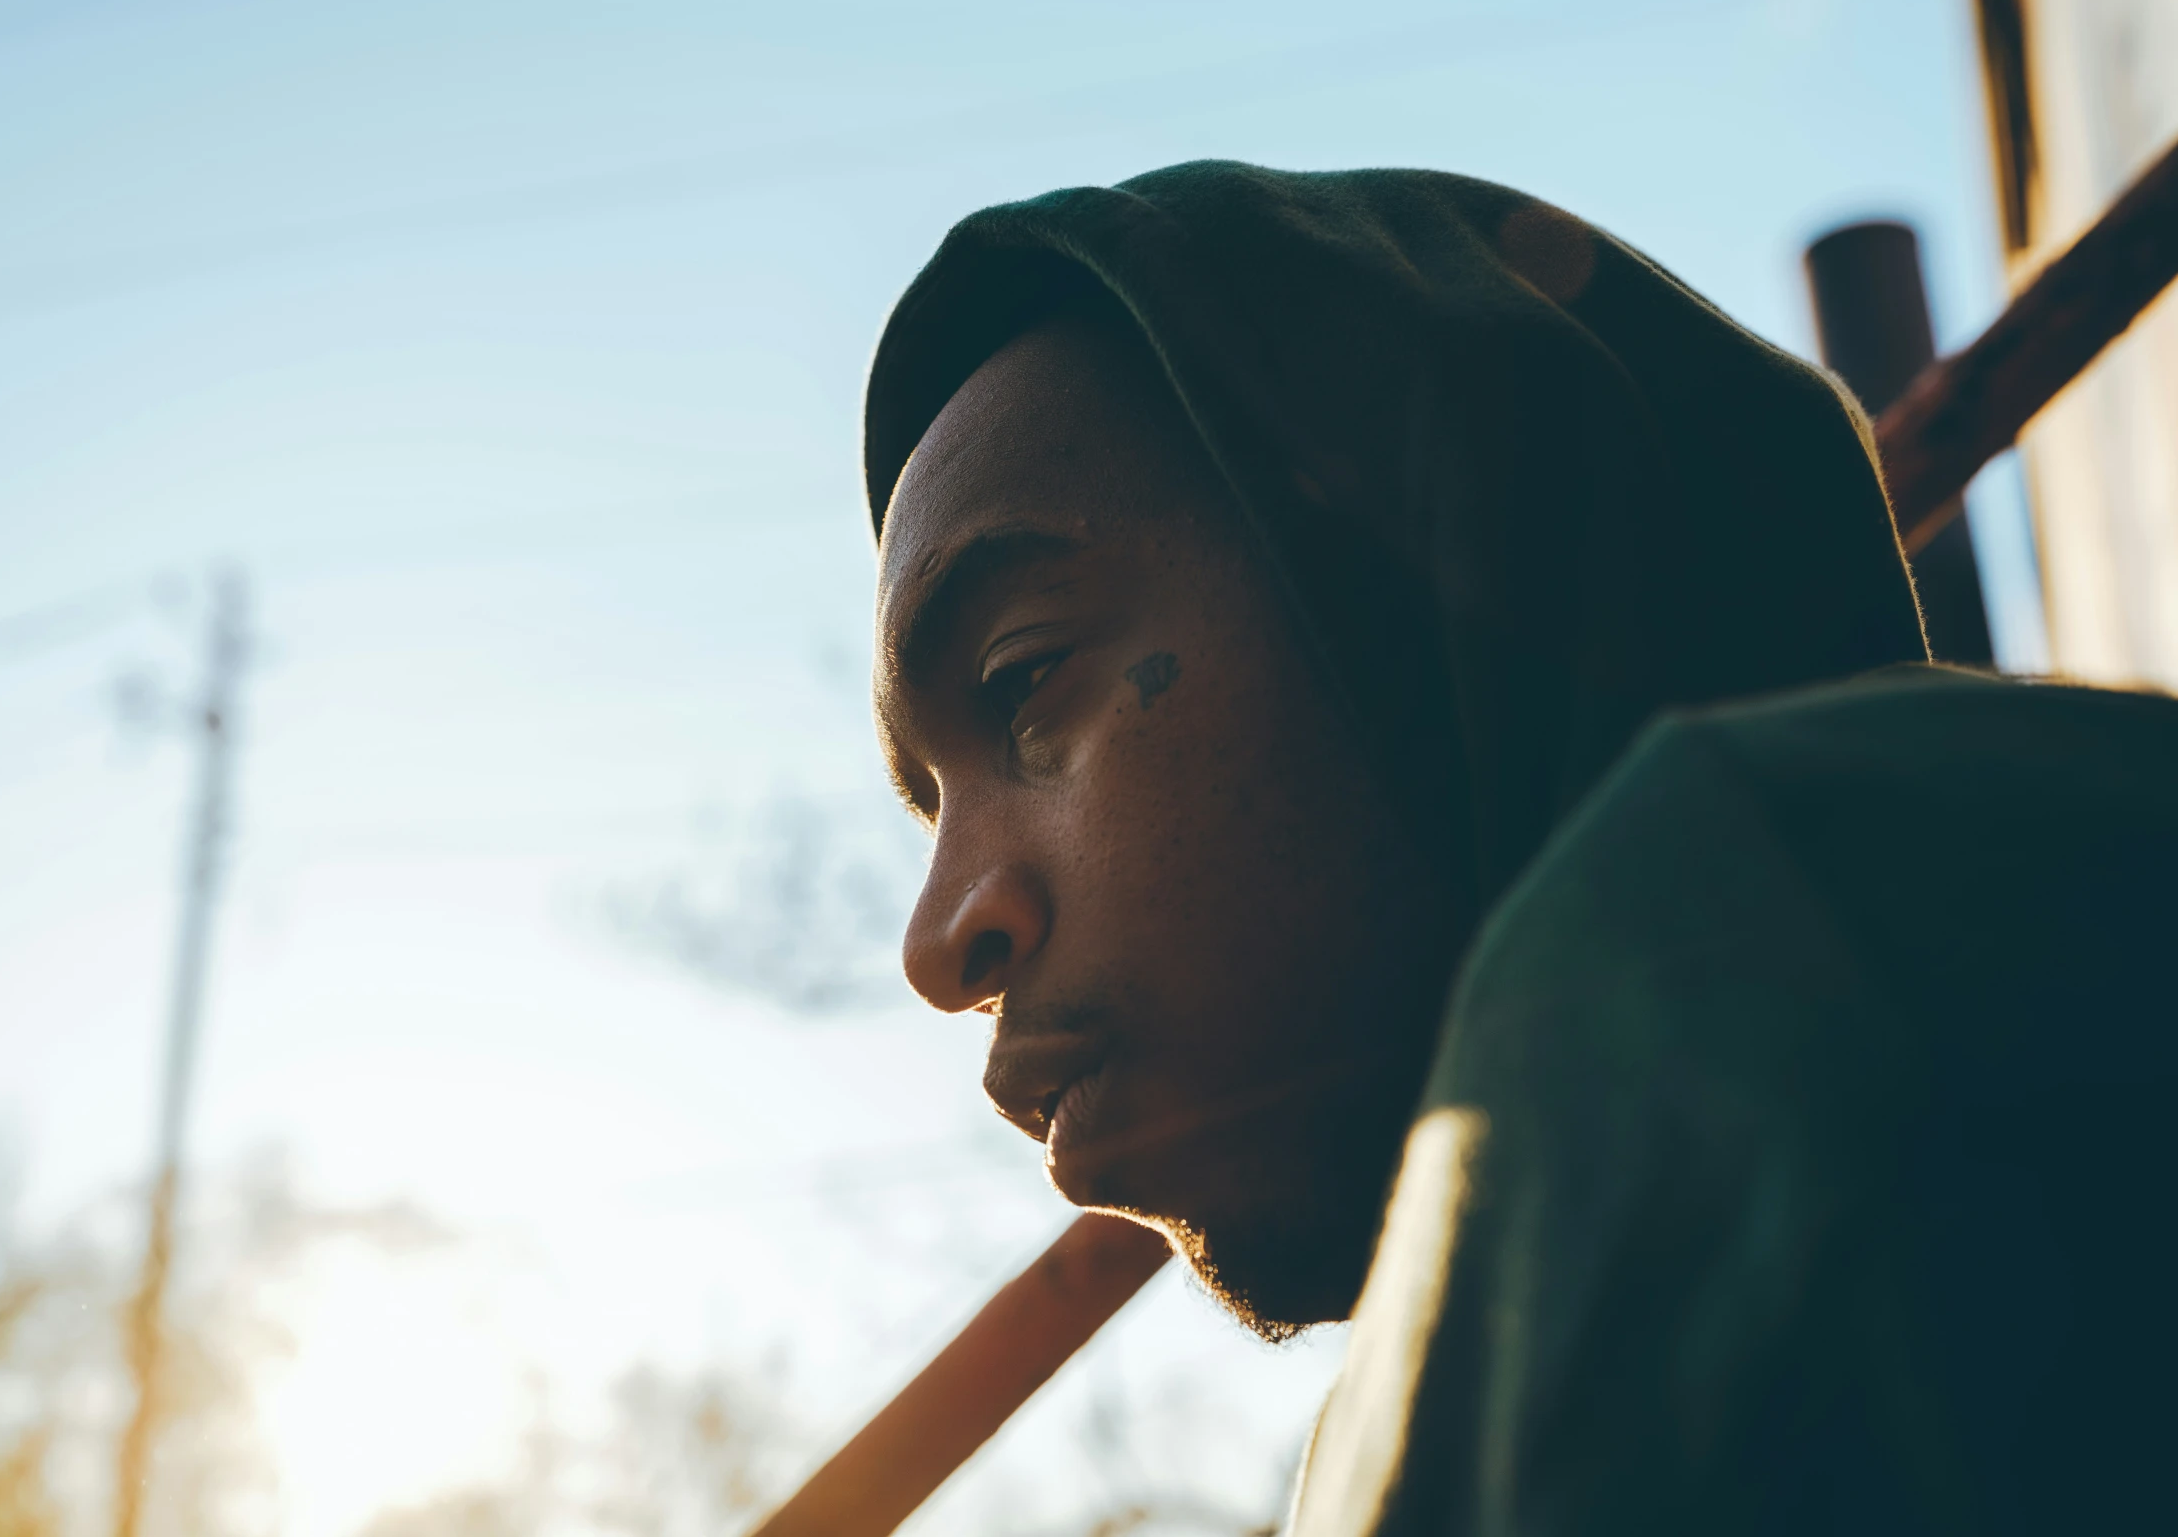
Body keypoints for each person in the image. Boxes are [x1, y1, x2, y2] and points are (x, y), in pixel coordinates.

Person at [863, 162, 2178, 1533]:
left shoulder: (1750, 913)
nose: (940, 941)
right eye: (931, 805)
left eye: (1022, 679)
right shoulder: (1411, 1393)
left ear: (1425, 544)